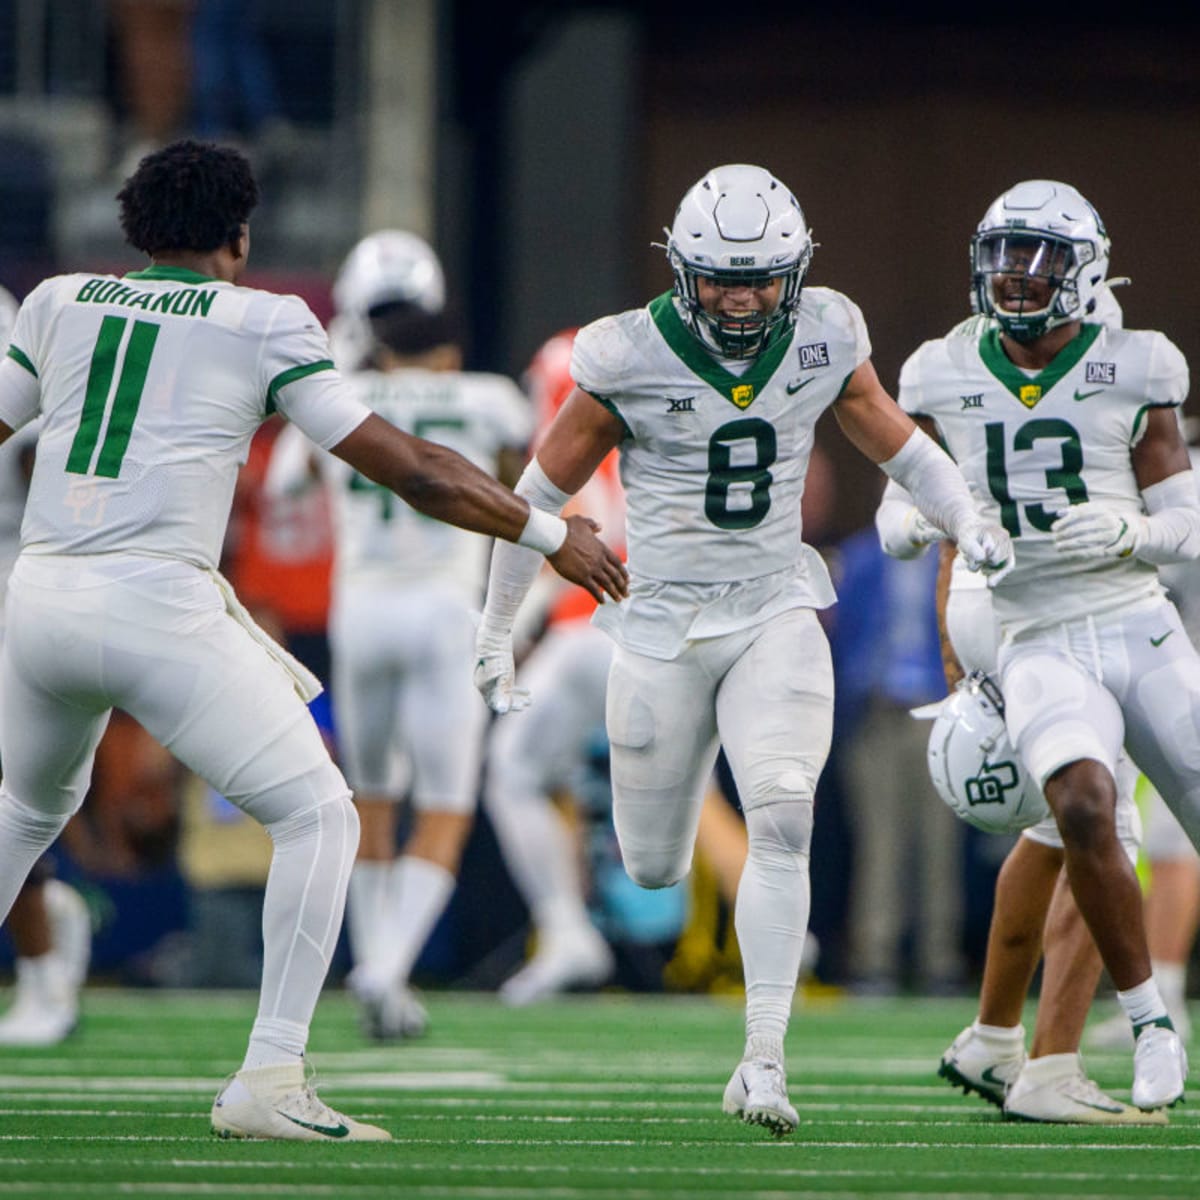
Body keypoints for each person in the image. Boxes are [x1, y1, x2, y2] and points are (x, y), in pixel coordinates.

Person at [0, 139, 626, 1142]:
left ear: (135, 230)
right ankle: (269, 1078)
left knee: (25, 816)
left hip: (38, 601)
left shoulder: (56, 302)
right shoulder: (262, 319)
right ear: (238, 239)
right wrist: (551, 530)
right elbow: (415, 468)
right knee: (322, 818)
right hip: (158, 604)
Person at [471, 163, 1011, 1136]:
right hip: (659, 622)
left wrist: (969, 521)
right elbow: (536, 502)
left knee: (784, 811)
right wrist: (494, 626)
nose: (740, 295)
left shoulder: (825, 334)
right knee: (650, 868)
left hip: (773, 606)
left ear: (795, 270)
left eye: (760, 276)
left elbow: (900, 444)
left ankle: (763, 1059)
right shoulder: (626, 353)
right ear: (680, 269)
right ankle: (682, 825)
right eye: (719, 275)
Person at [887, 178, 1199, 1114]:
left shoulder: (1137, 364)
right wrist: (908, 521)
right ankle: (1144, 1022)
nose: (1016, 279)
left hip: (1137, 619)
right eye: (1002, 258)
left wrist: (1132, 533)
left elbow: (1184, 516)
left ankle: (1004, 1042)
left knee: (1107, 819)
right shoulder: (942, 367)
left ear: (1086, 270)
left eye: (1039, 261)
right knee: (1082, 805)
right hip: (1030, 626)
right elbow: (910, 478)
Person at [265, 229, 534, 1038]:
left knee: (370, 799)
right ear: (447, 348)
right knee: (446, 806)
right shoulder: (490, 397)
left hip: (363, 611)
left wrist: (347, 369)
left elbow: (283, 483)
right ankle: (384, 969)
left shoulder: (352, 398)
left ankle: (379, 972)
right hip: (446, 610)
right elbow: (534, 495)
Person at [482, 327, 622, 1005]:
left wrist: (518, 617)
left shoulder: (577, 449)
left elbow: (577, 531)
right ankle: (569, 932)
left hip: (590, 635)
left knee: (514, 771)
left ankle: (568, 928)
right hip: (654, 637)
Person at [0, 284, 93, 1047]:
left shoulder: (15, 314)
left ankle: (41, 974)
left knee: (11, 792)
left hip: (12, 569)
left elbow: (41, 446)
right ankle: (48, 924)